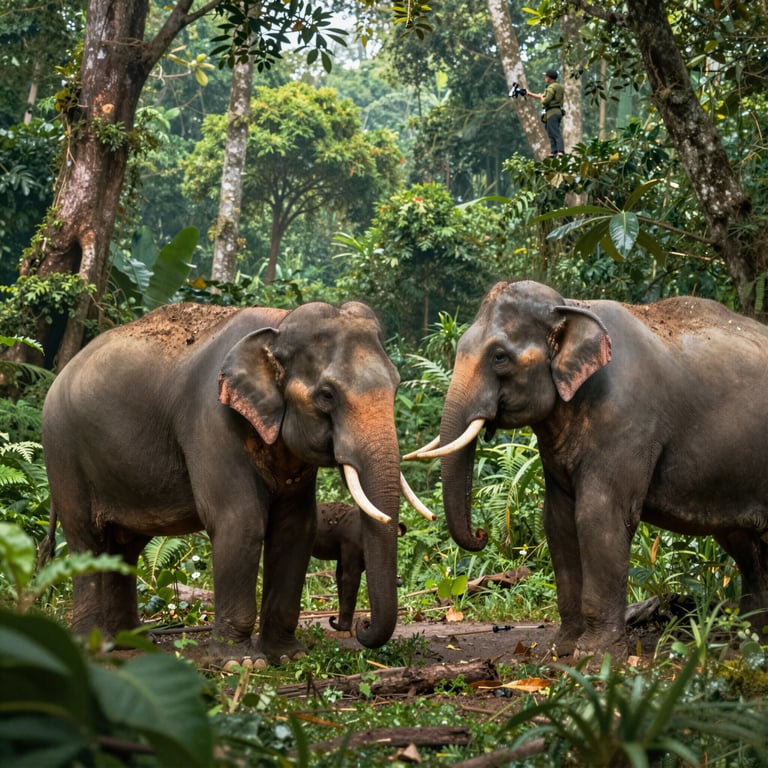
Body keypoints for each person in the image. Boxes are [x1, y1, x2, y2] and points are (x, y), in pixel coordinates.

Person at [528, 69, 565, 157]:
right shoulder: (558, 86)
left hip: (552, 112)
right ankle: (553, 151)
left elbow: (545, 101)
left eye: (546, 76)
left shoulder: (551, 88)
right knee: (550, 132)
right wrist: (529, 94)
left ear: (549, 78)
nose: (545, 78)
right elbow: (543, 96)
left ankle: (560, 151)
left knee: (555, 132)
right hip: (557, 111)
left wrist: (542, 99)